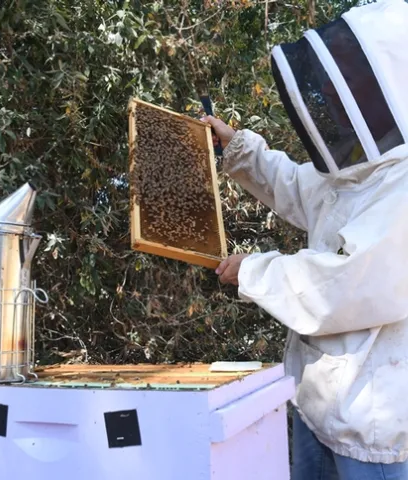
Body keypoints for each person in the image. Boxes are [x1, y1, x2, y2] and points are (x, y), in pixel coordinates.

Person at [202, 0, 408, 478]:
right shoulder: (362, 166)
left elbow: (344, 284)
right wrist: (237, 146)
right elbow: (301, 187)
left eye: (357, 80)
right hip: (317, 403)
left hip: (370, 428)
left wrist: (254, 269)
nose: (341, 96)